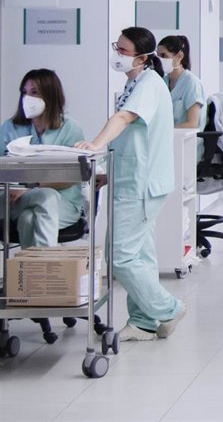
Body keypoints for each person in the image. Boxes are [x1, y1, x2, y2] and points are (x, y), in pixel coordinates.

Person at [76, 27, 186, 341]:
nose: (117, 55)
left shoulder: (149, 84)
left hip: (141, 184)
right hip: (130, 179)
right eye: (117, 48)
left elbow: (124, 119)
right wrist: (108, 172)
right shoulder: (135, 83)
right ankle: (144, 322)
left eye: (123, 51)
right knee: (141, 256)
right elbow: (132, 140)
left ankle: (169, 308)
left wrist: (95, 144)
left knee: (120, 257)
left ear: (142, 57)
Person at [0, 70, 85, 247]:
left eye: (34, 92)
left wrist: (30, 187)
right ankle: (48, 264)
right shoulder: (10, 127)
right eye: (24, 92)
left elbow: (73, 176)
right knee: (46, 196)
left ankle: (32, 265)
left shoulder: (70, 128)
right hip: (14, 200)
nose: (27, 98)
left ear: (50, 95)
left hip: (64, 203)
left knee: (29, 218)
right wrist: (17, 187)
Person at [157, 35, 205, 130]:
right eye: (158, 56)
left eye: (163, 56)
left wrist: (164, 131)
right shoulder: (162, 81)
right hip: (168, 135)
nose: (159, 60)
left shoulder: (191, 83)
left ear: (179, 56)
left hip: (186, 138)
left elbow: (192, 124)